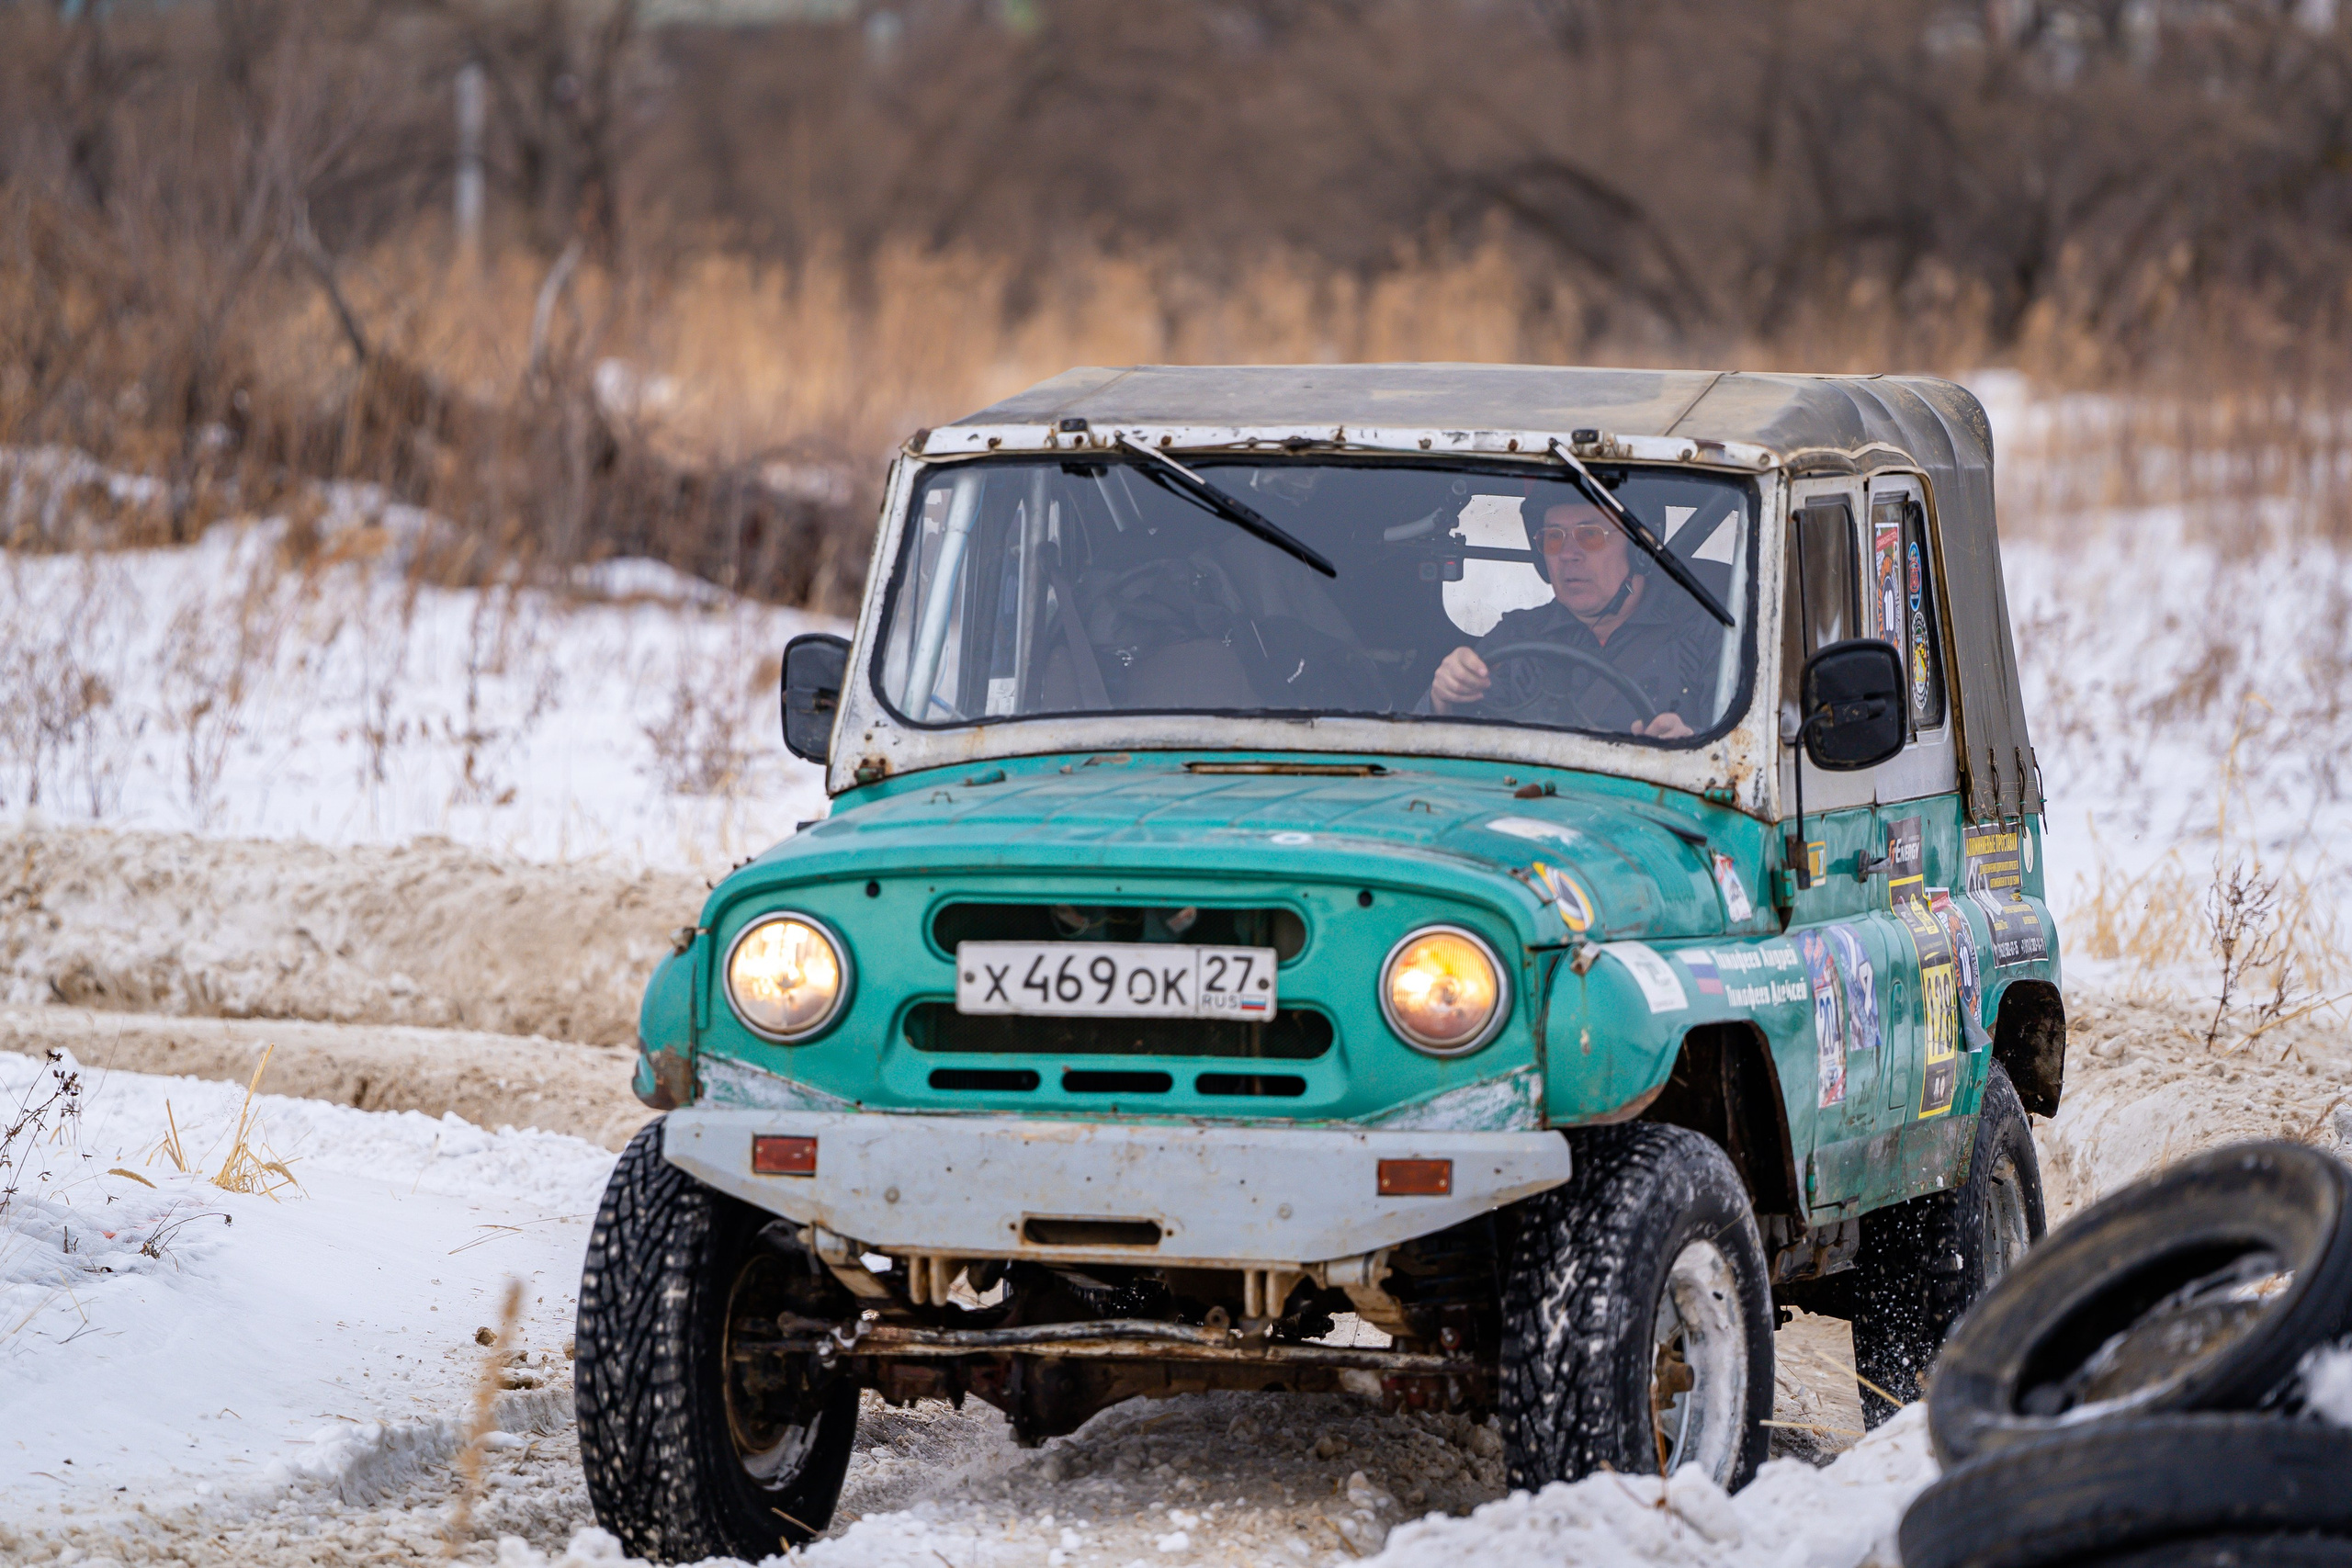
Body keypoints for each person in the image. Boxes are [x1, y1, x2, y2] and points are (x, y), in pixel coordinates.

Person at [1426, 498, 1715, 737]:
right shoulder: (1517, 635)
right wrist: (1444, 698)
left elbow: (1733, 751)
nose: (1567, 555)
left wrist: (1690, 742)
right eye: (1553, 538)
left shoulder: (1703, 632)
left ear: (1638, 550)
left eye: (1589, 535)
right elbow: (1456, 746)